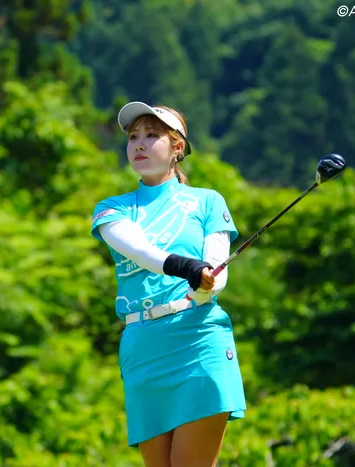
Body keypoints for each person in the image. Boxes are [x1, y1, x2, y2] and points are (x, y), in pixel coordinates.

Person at [90, 102, 246, 466]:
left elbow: (217, 269)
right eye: (133, 137)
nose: (139, 145)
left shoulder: (208, 202)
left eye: (152, 135)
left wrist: (205, 285)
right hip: (143, 348)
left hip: (198, 339)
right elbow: (141, 251)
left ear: (177, 147)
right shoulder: (112, 209)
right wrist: (189, 268)